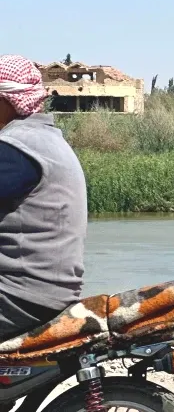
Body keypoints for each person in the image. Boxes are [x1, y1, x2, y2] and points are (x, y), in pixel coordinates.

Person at [0, 55, 88, 338]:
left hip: (21, 296)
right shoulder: (46, 139)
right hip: (47, 291)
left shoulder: (17, 148)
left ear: (6, 102)